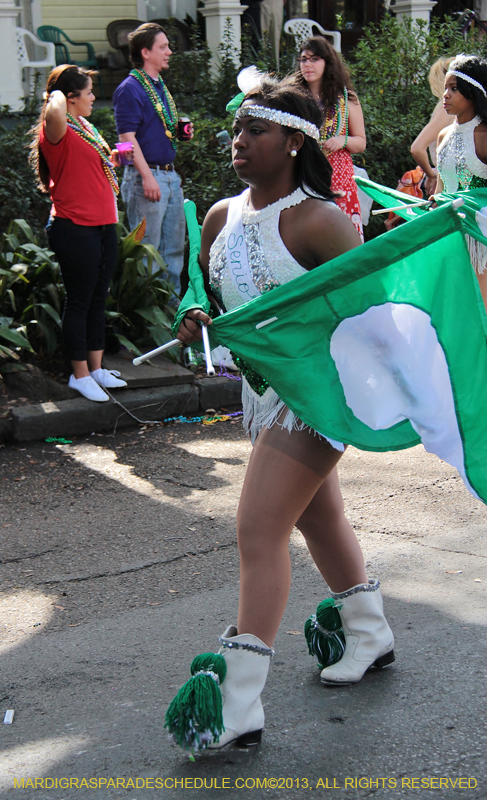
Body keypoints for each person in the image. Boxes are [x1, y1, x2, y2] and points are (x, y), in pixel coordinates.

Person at [172, 75, 394, 751]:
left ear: (294, 142)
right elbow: (210, 289)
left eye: (255, 131)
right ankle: (368, 631)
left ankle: (237, 700)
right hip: (259, 391)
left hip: (317, 394)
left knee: (257, 529)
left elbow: (373, 314)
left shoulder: (319, 221)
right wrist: (194, 313)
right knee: (317, 515)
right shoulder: (219, 215)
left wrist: (305, 344)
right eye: (234, 131)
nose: (238, 143)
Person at [30, 65, 127, 403]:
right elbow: (54, 108)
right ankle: (79, 374)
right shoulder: (56, 129)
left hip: (102, 223)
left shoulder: (84, 125)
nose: (93, 97)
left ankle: (97, 369)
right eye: (87, 92)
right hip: (74, 227)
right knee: (80, 301)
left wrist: (110, 159)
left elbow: (86, 165)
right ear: (70, 99)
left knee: (99, 298)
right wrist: (54, 92)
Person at [113, 22, 192, 298]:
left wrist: (179, 133)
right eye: (163, 47)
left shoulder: (158, 86)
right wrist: (146, 176)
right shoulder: (129, 89)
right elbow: (126, 139)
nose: (169, 51)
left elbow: (156, 127)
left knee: (172, 252)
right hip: (147, 178)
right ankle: (148, 326)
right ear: (145, 52)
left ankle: (172, 319)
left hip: (169, 176)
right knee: (147, 253)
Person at [296, 36, 366, 240]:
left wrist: (342, 140)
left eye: (314, 59)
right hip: (304, 175)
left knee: (343, 241)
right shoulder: (294, 98)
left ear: (328, 62)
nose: (307, 64)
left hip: (339, 178)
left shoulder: (346, 98)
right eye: (303, 59)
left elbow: (360, 142)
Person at [435, 54, 487, 309]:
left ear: (473, 92)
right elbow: (440, 188)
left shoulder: (485, 136)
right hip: (447, 235)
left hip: (481, 241)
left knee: (480, 314)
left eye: (454, 89)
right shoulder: (443, 135)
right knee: (452, 313)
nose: (445, 94)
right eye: (445, 88)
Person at [410, 57, 455, 197]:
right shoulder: (447, 109)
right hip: (449, 183)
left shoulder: (445, 108)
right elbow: (417, 148)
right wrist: (431, 175)